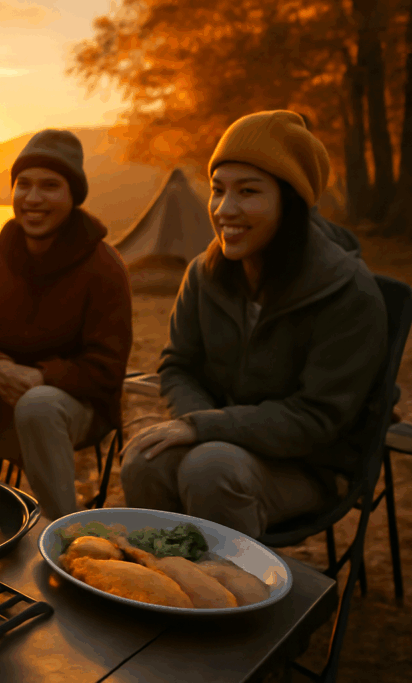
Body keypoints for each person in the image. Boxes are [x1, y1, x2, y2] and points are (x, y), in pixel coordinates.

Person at [119, 110, 388, 539]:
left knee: (211, 469)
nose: (226, 209)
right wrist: (197, 423)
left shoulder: (347, 291)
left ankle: (234, 600)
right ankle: (164, 588)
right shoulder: (204, 275)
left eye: (248, 192)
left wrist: (204, 429)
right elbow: (178, 365)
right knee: (145, 457)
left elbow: (316, 418)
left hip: (310, 465)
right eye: (218, 190)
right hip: (220, 439)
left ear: (291, 200)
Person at [0, 129, 133, 520]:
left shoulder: (104, 266)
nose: (33, 198)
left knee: (39, 405)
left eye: (50, 186)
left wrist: (42, 377)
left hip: (75, 409)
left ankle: (61, 536)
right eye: (24, 185)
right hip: (1, 398)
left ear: (73, 196)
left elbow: (107, 369)